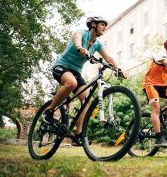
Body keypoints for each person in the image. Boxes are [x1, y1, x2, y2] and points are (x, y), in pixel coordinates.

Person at [43, 16, 124, 146]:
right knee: (71, 83)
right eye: (102, 24)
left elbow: (108, 57)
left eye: (105, 25)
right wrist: (81, 48)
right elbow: (77, 40)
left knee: (87, 101)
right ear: (93, 25)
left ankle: (79, 134)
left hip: (76, 72)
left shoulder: (97, 43)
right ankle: (49, 111)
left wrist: (118, 69)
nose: (105, 27)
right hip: (61, 66)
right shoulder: (82, 33)